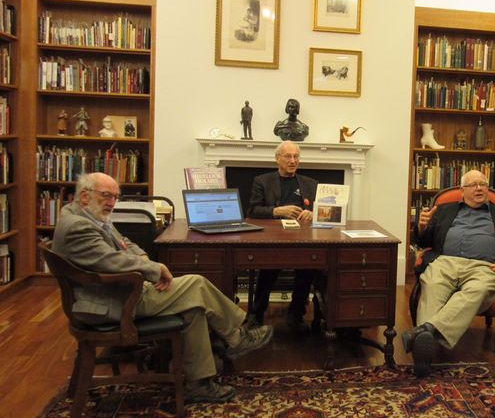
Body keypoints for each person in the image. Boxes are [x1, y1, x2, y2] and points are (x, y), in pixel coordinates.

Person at [53, 172, 275, 403]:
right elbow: (112, 261)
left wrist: (143, 258)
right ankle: (236, 338)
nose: (112, 202)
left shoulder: (84, 215)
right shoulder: (79, 227)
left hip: (117, 292)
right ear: (85, 196)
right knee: (197, 284)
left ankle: (199, 384)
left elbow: (124, 243)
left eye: (116, 197)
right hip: (114, 303)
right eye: (107, 195)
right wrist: (156, 268)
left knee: (193, 308)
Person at [403, 169, 495, 378]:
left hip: (484, 267)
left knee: (479, 289)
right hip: (445, 262)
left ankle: (424, 335)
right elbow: (424, 242)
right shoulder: (444, 210)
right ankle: (426, 347)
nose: (479, 188)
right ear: (462, 190)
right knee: (432, 285)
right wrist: (422, 227)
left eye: (483, 184)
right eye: (473, 185)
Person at [247, 141, 318, 332]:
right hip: (274, 237)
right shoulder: (262, 181)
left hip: (303, 238)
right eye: (288, 156)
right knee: (268, 269)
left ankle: (296, 314)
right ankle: (257, 314)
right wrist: (277, 211)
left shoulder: (311, 183)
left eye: (296, 156)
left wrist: (313, 213)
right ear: (277, 158)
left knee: (308, 269)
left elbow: (323, 210)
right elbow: (252, 211)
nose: (293, 161)